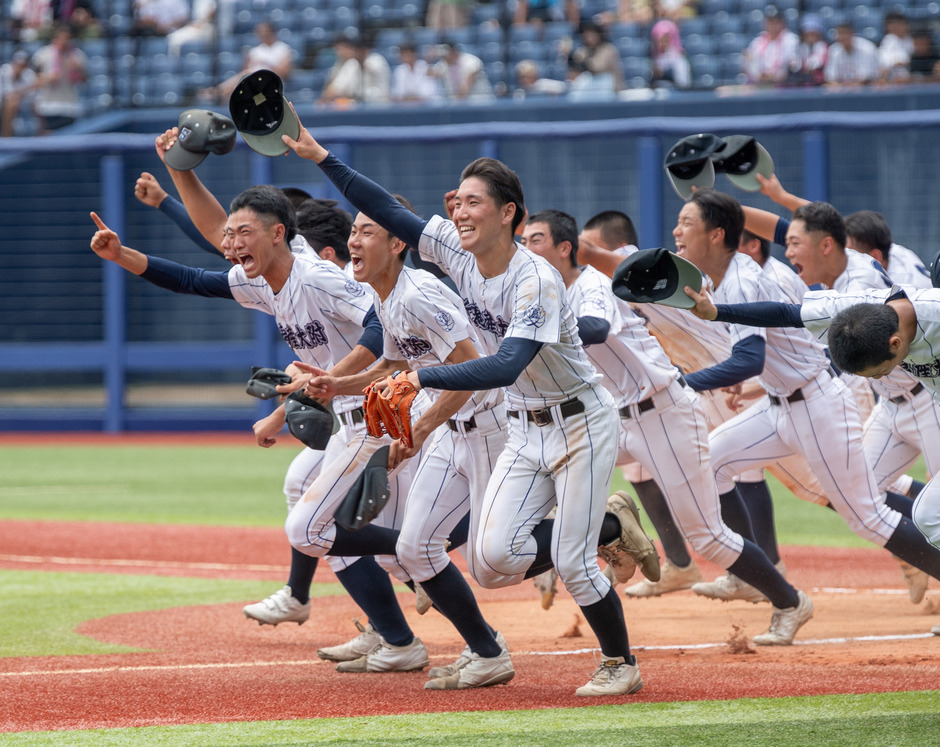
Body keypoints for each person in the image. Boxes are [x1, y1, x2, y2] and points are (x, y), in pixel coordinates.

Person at [281, 116, 658, 697]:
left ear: (509, 213)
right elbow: (391, 212)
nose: (459, 211)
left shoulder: (535, 279)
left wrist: (416, 378)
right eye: (457, 202)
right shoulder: (458, 256)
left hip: (580, 422)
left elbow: (505, 365)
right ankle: (604, 525)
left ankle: (619, 662)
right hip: (523, 427)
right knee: (489, 562)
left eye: (474, 202)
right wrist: (321, 158)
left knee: (573, 561)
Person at [685, 245, 940, 704]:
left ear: (894, 344)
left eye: (883, 369)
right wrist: (715, 311)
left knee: (932, 511)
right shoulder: (859, 313)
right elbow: (788, 311)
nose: (884, 376)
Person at [89, 183, 432, 673]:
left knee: (314, 528)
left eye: (242, 232)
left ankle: (414, 564)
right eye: (230, 234)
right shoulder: (262, 279)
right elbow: (192, 280)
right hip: (349, 415)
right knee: (311, 508)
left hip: (383, 412)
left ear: (278, 234)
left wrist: (337, 378)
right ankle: (395, 623)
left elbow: (382, 325)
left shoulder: (318, 278)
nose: (231, 243)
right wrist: (124, 255)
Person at [527, 208, 813, 645]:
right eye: (522, 241)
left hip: (662, 412)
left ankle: (790, 601)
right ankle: (611, 533)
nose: (526, 249)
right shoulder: (547, 296)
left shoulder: (594, 285)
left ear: (566, 248)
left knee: (709, 536)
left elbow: (596, 328)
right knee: (550, 463)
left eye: (535, 239)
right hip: (621, 416)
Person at [290, 201, 514, 689]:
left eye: (367, 231)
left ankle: (600, 531)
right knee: (415, 549)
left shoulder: (419, 295)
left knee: (496, 561)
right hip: (449, 430)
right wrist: (334, 383)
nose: (354, 240)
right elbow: (390, 367)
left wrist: (421, 427)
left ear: (397, 244)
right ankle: (488, 652)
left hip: (491, 428)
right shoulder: (385, 296)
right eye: (353, 231)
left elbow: (473, 369)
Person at [737, 197, 940, 631]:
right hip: (889, 407)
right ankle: (931, 559)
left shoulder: (857, 280)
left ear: (826, 246)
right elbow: (792, 231)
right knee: (857, 495)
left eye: (796, 245)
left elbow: (836, 349)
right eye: (789, 243)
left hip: (929, 400)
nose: (788, 251)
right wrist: (720, 208)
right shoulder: (833, 260)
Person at [210, 21, 292, 101]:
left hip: (272, 82)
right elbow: (245, 71)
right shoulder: (255, 51)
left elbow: (284, 73)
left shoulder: (282, 48)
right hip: (252, 81)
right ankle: (219, 93)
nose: (262, 34)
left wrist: (265, 63)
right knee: (246, 75)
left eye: (265, 31)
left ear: (271, 32)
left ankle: (217, 92)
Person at [30, 23, 86, 133]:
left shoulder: (77, 55)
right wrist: (47, 78)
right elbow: (33, 79)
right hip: (48, 105)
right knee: (48, 136)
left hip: (70, 106)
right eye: (61, 38)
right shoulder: (43, 54)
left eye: (67, 38)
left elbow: (85, 81)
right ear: (56, 38)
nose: (64, 41)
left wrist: (78, 69)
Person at [743, 7, 799, 86]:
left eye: (776, 22)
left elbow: (793, 65)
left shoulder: (791, 40)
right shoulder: (758, 42)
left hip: (785, 85)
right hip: (762, 83)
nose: (773, 26)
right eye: (770, 22)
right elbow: (751, 63)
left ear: (782, 23)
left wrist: (775, 75)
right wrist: (759, 74)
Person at [567, 19, 625, 95]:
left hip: (612, 91)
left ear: (599, 35)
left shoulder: (608, 49)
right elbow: (575, 64)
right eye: (586, 35)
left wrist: (582, 63)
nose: (589, 38)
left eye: (592, 34)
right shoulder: (584, 50)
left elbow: (598, 67)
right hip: (590, 92)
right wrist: (568, 55)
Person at [824, 20, 879, 86]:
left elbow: (871, 76)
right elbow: (830, 77)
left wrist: (854, 85)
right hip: (841, 90)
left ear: (852, 34)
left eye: (845, 33)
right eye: (840, 34)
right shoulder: (833, 50)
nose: (842, 37)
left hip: (865, 88)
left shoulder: (867, 48)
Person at [1, 50, 39, 138]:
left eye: (23, 64)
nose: (20, 66)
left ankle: (41, 137)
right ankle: (6, 137)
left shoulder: (29, 73)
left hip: (25, 105)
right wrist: (27, 88)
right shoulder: (4, 70)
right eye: (18, 63)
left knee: (37, 104)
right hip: (4, 105)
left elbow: (32, 97)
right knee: (12, 102)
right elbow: (7, 94)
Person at [650, 18, 691, 90]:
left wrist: (666, 73)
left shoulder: (679, 58)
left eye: (664, 40)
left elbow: (683, 83)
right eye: (658, 40)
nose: (661, 44)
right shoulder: (652, 55)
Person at [878, 11, 914, 82]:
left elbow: (911, 59)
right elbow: (883, 61)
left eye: (900, 24)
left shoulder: (911, 40)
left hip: (910, 76)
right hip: (892, 77)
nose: (897, 27)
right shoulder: (889, 39)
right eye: (893, 24)